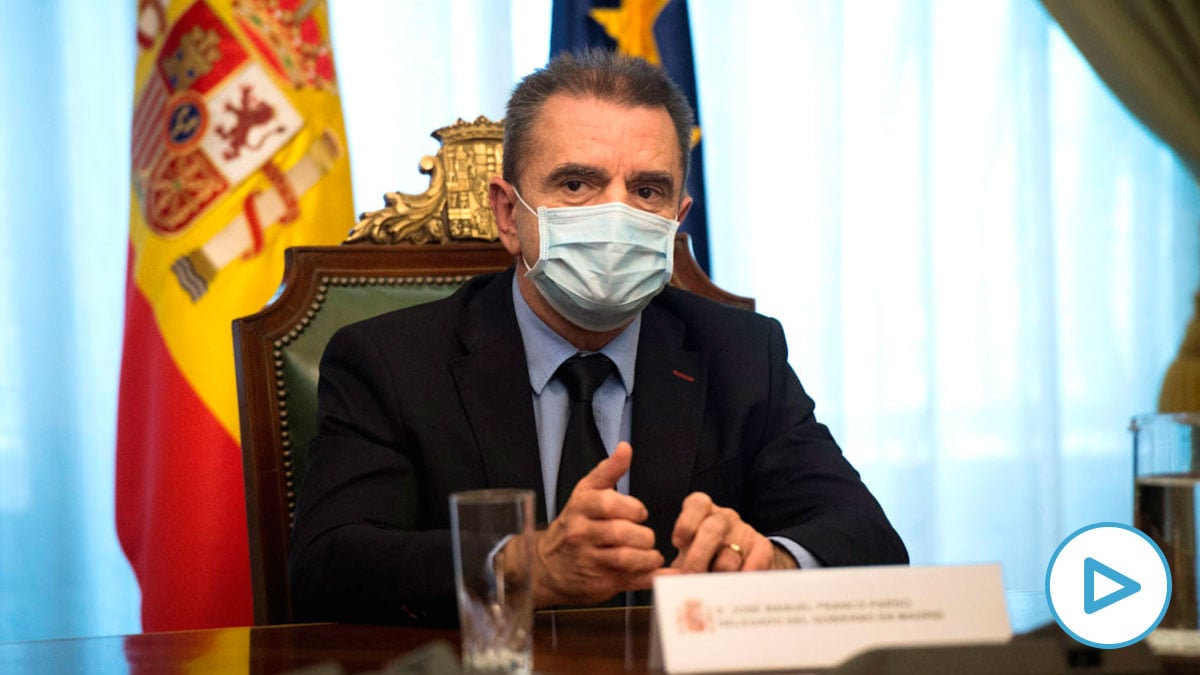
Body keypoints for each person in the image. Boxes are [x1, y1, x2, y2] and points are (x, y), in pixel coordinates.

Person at [289, 49, 907, 626]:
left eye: (646, 191)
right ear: (509, 214)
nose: (617, 216)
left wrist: (769, 563)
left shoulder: (742, 354)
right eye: (577, 184)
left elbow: (868, 537)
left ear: (676, 219)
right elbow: (328, 566)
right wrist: (523, 566)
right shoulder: (391, 362)